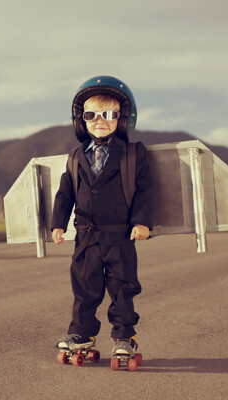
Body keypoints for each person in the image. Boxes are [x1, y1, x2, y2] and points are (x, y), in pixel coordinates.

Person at [51, 75, 153, 361]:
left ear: (122, 119)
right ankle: (81, 332)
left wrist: (142, 221)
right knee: (84, 287)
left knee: (122, 288)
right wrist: (58, 223)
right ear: (80, 120)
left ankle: (124, 336)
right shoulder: (75, 156)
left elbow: (145, 189)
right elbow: (65, 193)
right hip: (85, 236)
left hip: (120, 234)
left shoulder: (133, 153)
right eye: (91, 114)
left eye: (109, 115)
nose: (99, 120)